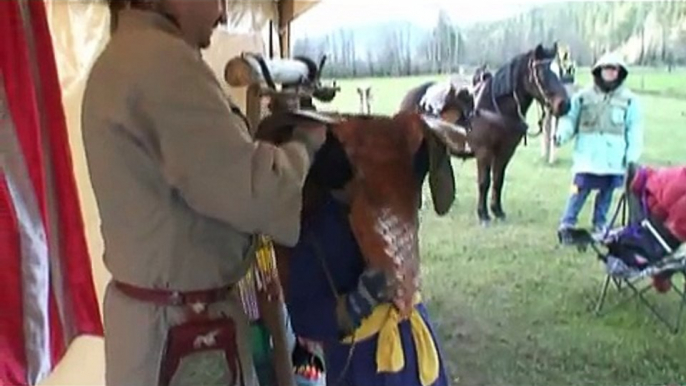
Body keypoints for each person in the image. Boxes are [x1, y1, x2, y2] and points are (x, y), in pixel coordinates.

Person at [81, 1, 327, 385]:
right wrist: (305, 146)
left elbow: (207, 174)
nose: (223, 15)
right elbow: (255, 194)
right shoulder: (160, 63)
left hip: (162, 326)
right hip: (182, 333)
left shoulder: (127, 58)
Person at [555, 52, 643, 241]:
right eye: (606, 69)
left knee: (606, 194)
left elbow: (634, 129)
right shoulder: (582, 97)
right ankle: (567, 223)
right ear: (599, 71)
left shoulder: (630, 100)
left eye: (614, 69)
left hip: (613, 159)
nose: (610, 73)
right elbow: (570, 118)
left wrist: (632, 157)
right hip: (587, 157)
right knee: (579, 190)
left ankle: (600, 224)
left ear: (619, 72)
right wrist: (561, 135)